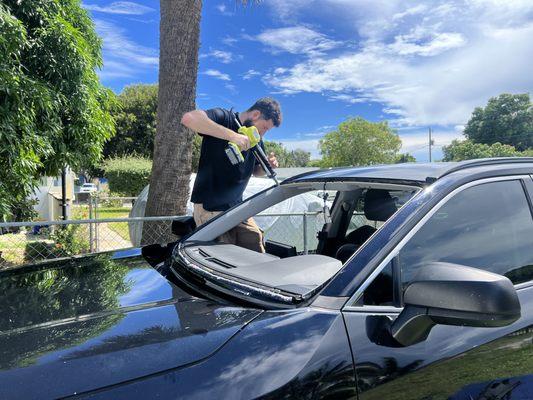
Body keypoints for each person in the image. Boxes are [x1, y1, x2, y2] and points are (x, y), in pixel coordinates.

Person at [181, 97, 282, 253]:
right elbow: (189, 119)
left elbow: (256, 171)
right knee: (222, 255)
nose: (263, 134)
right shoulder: (224, 117)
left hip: (237, 208)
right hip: (210, 208)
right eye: (264, 128)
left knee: (255, 243)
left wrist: (268, 164)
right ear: (255, 114)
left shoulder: (257, 141)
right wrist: (233, 136)